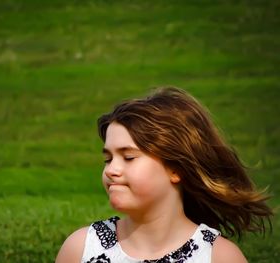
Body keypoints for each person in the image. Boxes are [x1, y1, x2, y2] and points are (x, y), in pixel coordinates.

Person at [55, 87, 273, 263]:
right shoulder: (81, 249)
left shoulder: (218, 257)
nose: (111, 170)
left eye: (129, 157)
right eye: (108, 159)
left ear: (175, 169)